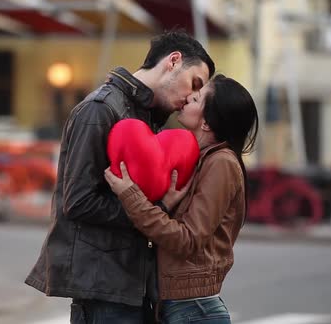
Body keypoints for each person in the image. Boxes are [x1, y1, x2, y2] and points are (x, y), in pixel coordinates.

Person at [25, 30, 215, 324]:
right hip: (105, 290)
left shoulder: (146, 117)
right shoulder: (100, 109)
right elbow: (78, 201)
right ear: (173, 61)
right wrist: (153, 210)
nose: (191, 97)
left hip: (135, 286)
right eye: (195, 84)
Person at [104, 75, 259, 323]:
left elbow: (188, 239)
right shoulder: (201, 159)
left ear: (207, 122)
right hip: (181, 307)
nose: (187, 98)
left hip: (194, 310)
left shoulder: (222, 163)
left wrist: (130, 196)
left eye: (196, 98)